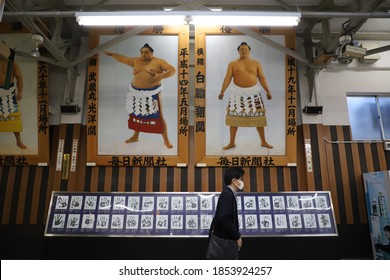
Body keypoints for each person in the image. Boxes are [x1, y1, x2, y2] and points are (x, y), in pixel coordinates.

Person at [104, 43, 176, 149]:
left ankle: (166, 140)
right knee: (136, 115)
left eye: (146, 52)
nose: (143, 54)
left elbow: (172, 70)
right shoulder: (136, 61)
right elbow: (123, 59)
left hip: (152, 93)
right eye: (142, 52)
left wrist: (160, 76)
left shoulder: (159, 62)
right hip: (136, 92)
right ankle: (135, 136)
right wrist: (113, 54)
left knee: (158, 117)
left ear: (151, 53)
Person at [219, 42, 273, 150]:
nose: (244, 51)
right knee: (233, 120)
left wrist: (268, 91)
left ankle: (263, 141)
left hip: (254, 94)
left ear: (249, 51)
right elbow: (227, 78)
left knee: (259, 119)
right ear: (238, 51)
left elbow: (262, 78)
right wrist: (222, 91)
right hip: (237, 94)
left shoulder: (256, 63)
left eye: (246, 49)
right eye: (242, 49)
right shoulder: (232, 64)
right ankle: (232, 142)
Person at [206, 167, 244, 260]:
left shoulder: (228, 193)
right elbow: (223, 218)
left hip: (224, 240)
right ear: (234, 181)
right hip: (224, 241)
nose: (242, 182)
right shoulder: (228, 194)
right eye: (240, 179)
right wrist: (237, 236)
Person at [0, 41, 26, 149]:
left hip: (9, 92)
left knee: (14, 120)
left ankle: (18, 141)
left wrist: (20, 92)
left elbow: (19, 77)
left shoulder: (12, 63)